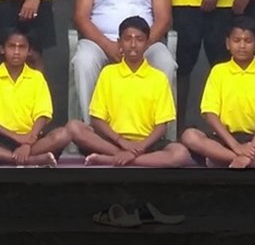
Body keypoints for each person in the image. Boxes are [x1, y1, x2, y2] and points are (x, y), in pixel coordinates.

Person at [67, 16, 192, 168]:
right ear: (119, 42)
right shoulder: (108, 73)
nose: (133, 45)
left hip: (147, 144)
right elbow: (97, 119)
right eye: (127, 39)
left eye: (139, 39)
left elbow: (162, 126)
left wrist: (140, 147)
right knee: (74, 127)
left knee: (181, 153)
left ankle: (113, 159)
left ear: (147, 43)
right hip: (113, 141)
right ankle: (123, 155)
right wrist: (121, 142)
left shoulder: (158, 78)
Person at [180, 17, 255, 168]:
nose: (242, 46)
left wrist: (253, 147)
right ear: (227, 43)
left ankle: (226, 160)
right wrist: (236, 146)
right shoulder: (218, 71)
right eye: (236, 40)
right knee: (190, 136)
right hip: (225, 139)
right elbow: (210, 113)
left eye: (248, 41)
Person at [0, 27, 71, 166]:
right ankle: (30, 160)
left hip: (31, 138)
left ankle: (7, 157)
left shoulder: (37, 78)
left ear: (29, 51)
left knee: (63, 134)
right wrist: (16, 137)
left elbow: (43, 114)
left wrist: (28, 142)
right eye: (12, 46)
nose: (16, 52)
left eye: (22, 47)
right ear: (2, 49)